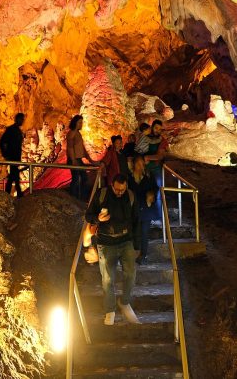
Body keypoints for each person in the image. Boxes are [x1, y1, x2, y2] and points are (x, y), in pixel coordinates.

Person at [85, 174, 141, 325]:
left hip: (126, 240)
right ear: (112, 185)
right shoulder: (102, 194)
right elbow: (88, 215)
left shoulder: (130, 196)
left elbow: (137, 220)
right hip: (106, 242)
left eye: (122, 190)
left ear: (126, 187)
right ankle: (110, 310)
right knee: (108, 279)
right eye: (117, 189)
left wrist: (138, 245)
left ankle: (125, 302)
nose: (119, 193)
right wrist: (98, 219)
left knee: (130, 273)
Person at [127, 157, 159, 265]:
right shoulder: (129, 177)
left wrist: (151, 194)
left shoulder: (149, 176)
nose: (141, 166)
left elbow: (155, 188)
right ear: (134, 165)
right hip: (134, 209)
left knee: (144, 232)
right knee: (134, 232)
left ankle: (143, 255)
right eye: (138, 164)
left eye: (142, 164)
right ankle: (133, 253)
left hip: (146, 209)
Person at [66, 114, 99, 199]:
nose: (81, 124)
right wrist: (73, 160)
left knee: (83, 178)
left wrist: (90, 160)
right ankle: (74, 197)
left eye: (82, 122)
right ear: (75, 123)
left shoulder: (78, 133)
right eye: (79, 122)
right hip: (74, 159)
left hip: (78, 159)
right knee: (77, 179)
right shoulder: (72, 133)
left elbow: (82, 148)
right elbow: (70, 147)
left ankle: (80, 197)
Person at [143, 119, 169, 208]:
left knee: (159, 190)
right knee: (144, 189)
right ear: (152, 127)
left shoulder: (162, 141)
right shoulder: (146, 138)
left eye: (159, 129)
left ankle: (159, 214)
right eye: (156, 128)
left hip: (156, 169)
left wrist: (147, 157)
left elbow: (160, 156)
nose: (157, 130)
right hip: (145, 169)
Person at [0, 112, 25, 197]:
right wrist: (5, 154)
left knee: (13, 175)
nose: (22, 121)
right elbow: (2, 141)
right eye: (21, 119)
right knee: (14, 175)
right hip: (12, 156)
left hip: (16, 156)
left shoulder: (17, 130)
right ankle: (17, 192)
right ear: (17, 119)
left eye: (22, 119)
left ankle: (9, 193)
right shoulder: (11, 130)